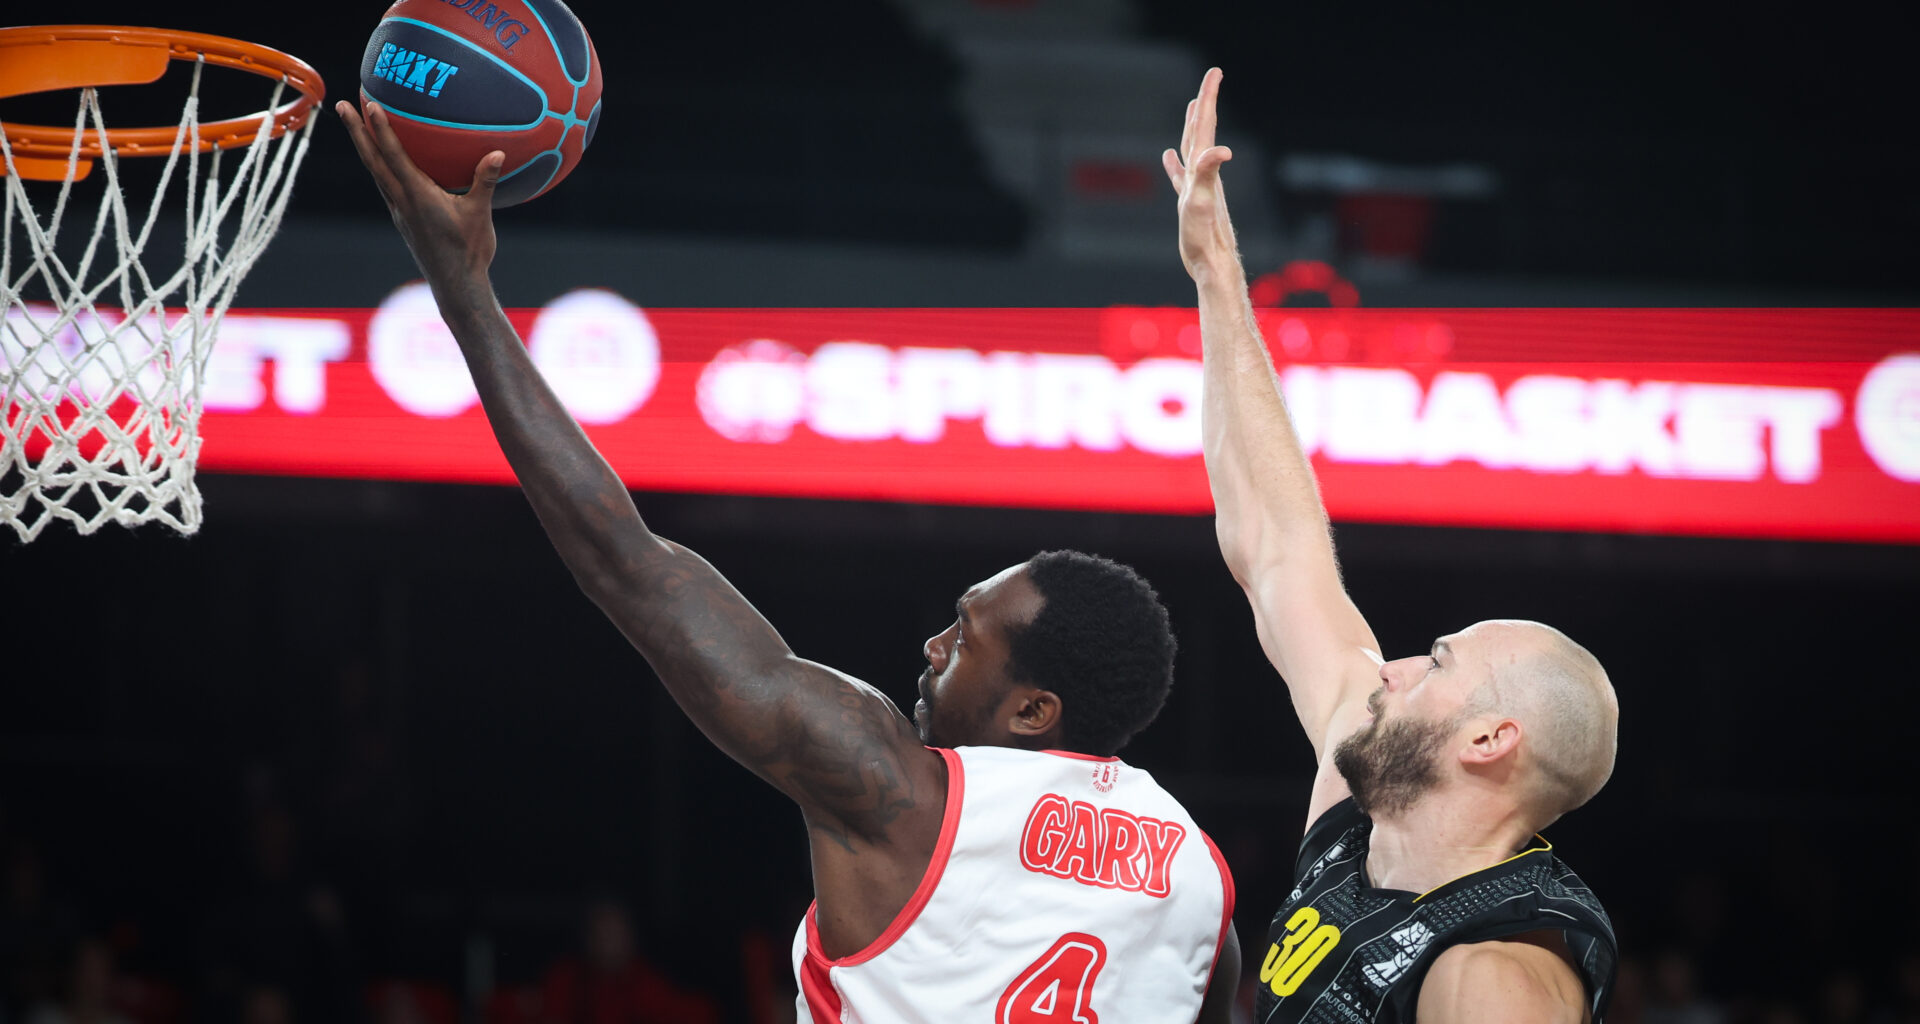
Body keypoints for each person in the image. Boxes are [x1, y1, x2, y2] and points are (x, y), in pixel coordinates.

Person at [336, 100, 1239, 1023]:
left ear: (1033, 709)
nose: (933, 646)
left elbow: (626, 563)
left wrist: (465, 292)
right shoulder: (1196, 872)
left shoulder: (901, 792)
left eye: (966, 639)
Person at [1163, 69, 1620, 1022]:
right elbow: (1277, 546)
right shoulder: (1364, 812)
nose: (1396, 666)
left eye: (1439, 663)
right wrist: (1217, 275)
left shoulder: (1498, 970)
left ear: (1491, 740)